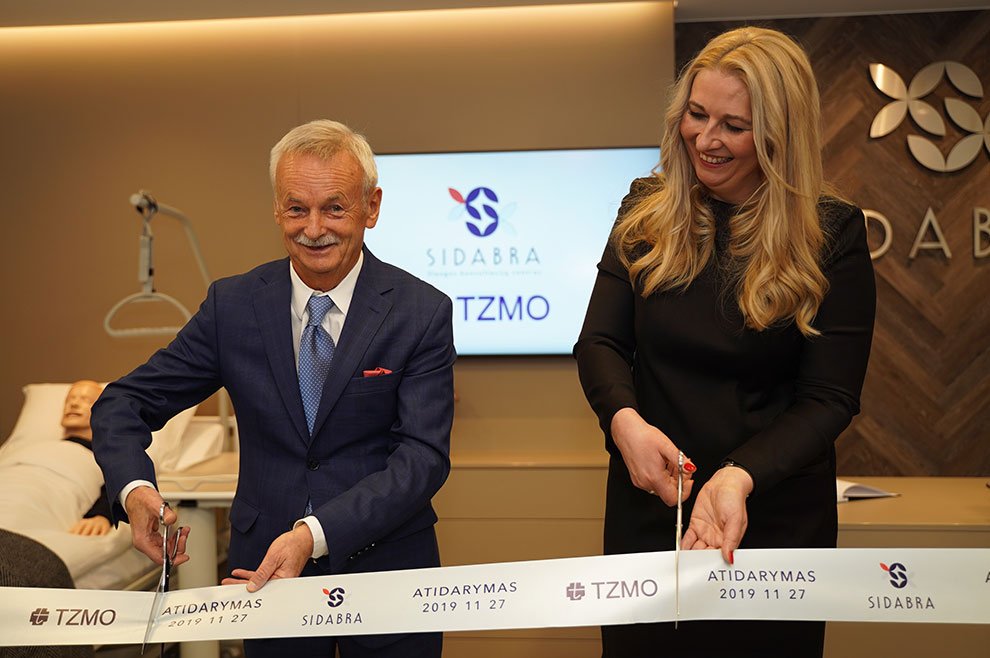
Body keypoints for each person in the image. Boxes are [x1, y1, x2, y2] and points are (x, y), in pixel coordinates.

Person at [92, 119, 455, 658]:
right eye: (296, 208)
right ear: (277, 210)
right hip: (263, 579)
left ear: (371, 207)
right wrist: (135, 490)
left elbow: (422, 459)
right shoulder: (234, 307)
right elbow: (123, 402)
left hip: (388, 572)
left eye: (335, 208)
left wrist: (314, 533)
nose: (314, 228)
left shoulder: (420, 311)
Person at [573, 27, 876, 657]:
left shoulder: (832, 232)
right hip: (652, 504)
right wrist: (624, 424)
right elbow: (600, 341)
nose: (706, 139)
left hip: (770, 516)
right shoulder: (645, 207)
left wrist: (738, 476)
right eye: (697, 114)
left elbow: (829, 397)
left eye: (733, 126)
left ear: (779, 135)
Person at [60, 380, 112, 536]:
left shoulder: (105, 456)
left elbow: (116, 484)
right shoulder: (36, 448)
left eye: (86, 400)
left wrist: (101, 515)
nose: (74, 404)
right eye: (69, 399)